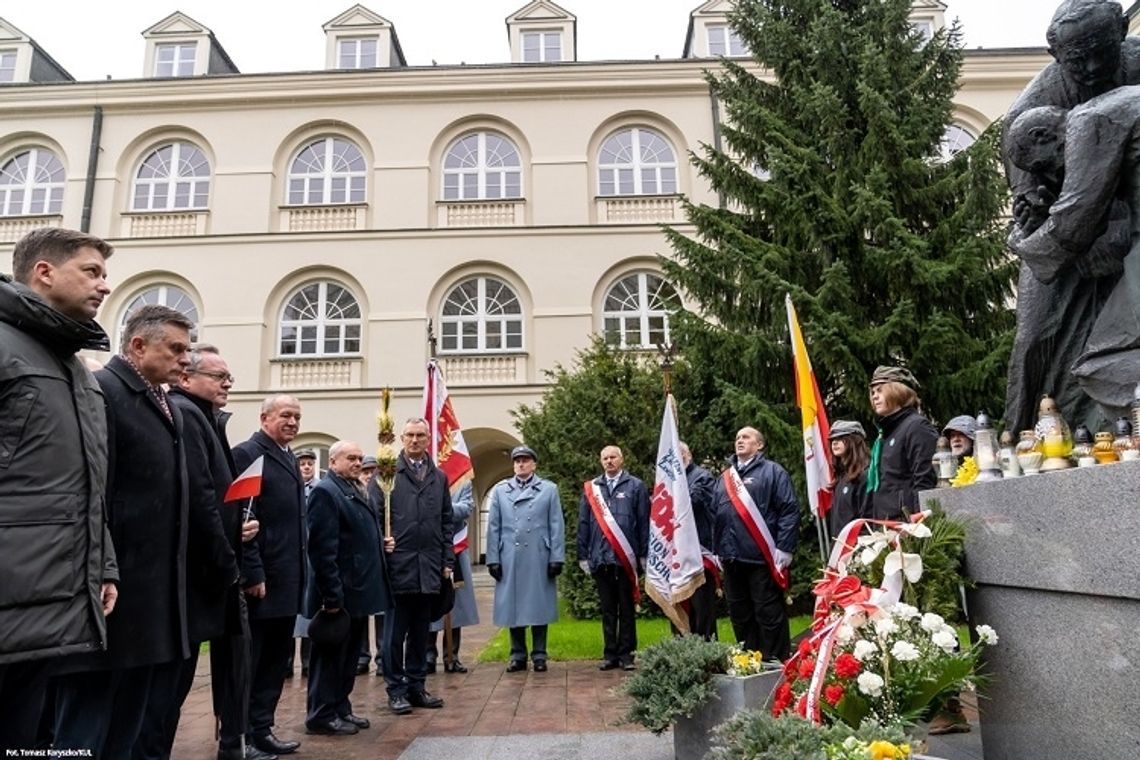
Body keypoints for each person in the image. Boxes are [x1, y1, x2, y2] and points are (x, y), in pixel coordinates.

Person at [51, 304, 194, 757]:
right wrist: (102, 571)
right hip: (113, 594)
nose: (184, 359)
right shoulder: (105, 392)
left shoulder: (161, 399)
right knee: (86, 726)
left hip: (149, 599)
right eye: (175, 349)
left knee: (128, 724)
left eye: (187, 350)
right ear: (137, 345)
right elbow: (93, 492)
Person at [0, 228, 117, 753]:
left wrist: (103, 564)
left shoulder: (76, 370)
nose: (104, 286)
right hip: (10, 590)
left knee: (23, 735)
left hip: (49, 601)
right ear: (44, 272)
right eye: (92, 272)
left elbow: (87, 485)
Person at [1002, 0, 1140, 432]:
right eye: (1079, 60)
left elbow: (1072, 219)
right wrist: (1033, 213)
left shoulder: (1088, 122)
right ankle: (1019, 433)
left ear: (1121, 29)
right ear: (1056, 55)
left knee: (1109, 347)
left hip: (1110, 220)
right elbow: (1041, 213)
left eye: (1104, 50)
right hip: (1065, 226)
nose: (1095, 66)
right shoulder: (1030, 116)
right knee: (1032, 338)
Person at [136, 345, 268, 760]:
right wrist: (228, 560)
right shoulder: (189, 414)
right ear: (186, 378)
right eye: (219, 376)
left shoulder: (203, 416)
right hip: (197, 577)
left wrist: (235, 528)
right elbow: (202, 495)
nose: (227, 383)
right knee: (167, 689)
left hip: (209, 567)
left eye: (229, 377)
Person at [233, 396, 307, 757]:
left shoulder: (289, 457)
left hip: (288, 578)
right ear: (264, 417)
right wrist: (252, 571)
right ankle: (241, 735)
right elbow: (243, 519)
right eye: (285, 416)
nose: (292, 422)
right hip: (263, 580)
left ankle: (262, 728)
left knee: (277, 660)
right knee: (254, 660)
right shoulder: (249, 454)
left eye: (296, 416)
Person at [304, 441, 389, 736]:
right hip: (338, 594)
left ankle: (340, 707)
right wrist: (331, 596)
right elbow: (322, 549)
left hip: (357, 593)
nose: (357, 462)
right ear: (334, 461)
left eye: (358, 457)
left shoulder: (352, 488)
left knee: (348, 657)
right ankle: (321, 714)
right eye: (350, 458)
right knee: (330, 658)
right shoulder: (326, 493)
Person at [374, 418, 453, 715]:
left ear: (428, 438)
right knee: (394, 635)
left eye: (420, 435)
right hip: (399, 566)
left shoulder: (439, 477)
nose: (415, 440)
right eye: (409, 435)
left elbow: (446, 520)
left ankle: (417, 686)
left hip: (429, 566)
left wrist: (447, 560)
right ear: (401, 438)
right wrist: (382, 544)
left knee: (422, 632)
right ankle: (396, 689)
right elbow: (375, 517)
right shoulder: (387, 474)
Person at [710, 427, 799, 662]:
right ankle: (749, 659)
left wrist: (785, 547)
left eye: (746, 437)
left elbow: (788, 510)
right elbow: (715, 516)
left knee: (768, 611)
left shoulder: (773, 472)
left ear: (759, 445)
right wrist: (716, 548)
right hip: (731, 557)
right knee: (740, 613)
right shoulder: (725, 478)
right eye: (737, 437)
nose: (740, 440)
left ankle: (777, 659)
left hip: (761, 556)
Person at [486, 447, 565, 672]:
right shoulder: (501, 492)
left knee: (539, 605)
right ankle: (517, 655)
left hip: (538, 555)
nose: (521, 464)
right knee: (513, 607)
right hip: (509, 555)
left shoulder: (549, 490)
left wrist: (556, 556)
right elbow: (494, 527)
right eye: (517, 461)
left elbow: (556, 525)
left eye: (525, 460)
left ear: (534, 464)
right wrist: (493, 558)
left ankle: (540, 655)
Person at [578, 445, 648, 671]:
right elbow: (584, 524)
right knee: (608, 610)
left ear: (622, 459)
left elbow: (644, 522)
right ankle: (610, 655)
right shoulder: (592, 488)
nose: (609, 461)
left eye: (613, 457)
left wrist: (644, 554)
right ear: (601, 461)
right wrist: (583, 556)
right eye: (605, 458)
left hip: (625, 560)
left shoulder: (635, 486)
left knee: (627, 609)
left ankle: (627, 655)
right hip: (600, 559)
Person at [865, 366, 939, 522]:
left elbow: (925, 480)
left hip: (908, 525)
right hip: (887, 524)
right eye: (872, 393)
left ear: (898, 390)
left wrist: (918, 522)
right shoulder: (885, 434)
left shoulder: (917, 427)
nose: (875, 397)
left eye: (880, 390)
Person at [428, 480, 481, 674]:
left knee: (455, 602)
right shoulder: (424, 477)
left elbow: (467, 507)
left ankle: (452, 655)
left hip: (456, 546)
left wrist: (442, 508)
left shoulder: (462, 479)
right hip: (429, 546)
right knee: (429, 598)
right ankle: (428, 655)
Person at [679, 442, 718, 640]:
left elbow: (693, 503)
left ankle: (707, 649)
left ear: (689, 455)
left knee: (702, 605)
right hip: (676, 554)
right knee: (680, 604)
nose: (678, 457)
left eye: (681, 453)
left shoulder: (703, 476)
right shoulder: (668, 481)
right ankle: (682, 651)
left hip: (699, 550)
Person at [827, 421, 872, 538]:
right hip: (840, 546)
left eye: (841, 437)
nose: (834, 442)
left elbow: (868, 521)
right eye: (832, 439)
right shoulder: (841, 477)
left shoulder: (865, 475)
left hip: (858, 548)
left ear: (855, 440)